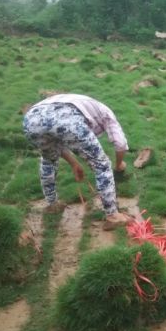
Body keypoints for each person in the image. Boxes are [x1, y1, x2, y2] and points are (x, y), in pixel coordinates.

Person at [23, 93, 131, 230]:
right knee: (102, 165)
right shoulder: (106, 112)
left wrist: (74, 163)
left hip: (31, 121)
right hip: (66, 120)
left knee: (48, 160)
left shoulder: (82, 103)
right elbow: (120, 144)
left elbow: (56, 139)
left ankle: (52, 204)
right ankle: (113, 216)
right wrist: (119, 164)